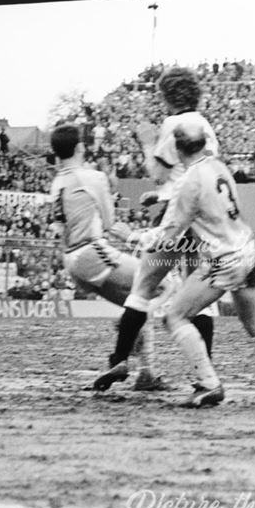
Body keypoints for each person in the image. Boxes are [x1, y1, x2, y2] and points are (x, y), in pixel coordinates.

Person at [93, 67, 219, 391]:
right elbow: (194, 174)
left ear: (167, 96)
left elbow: (159, 172)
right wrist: (162, 193)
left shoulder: (171, 124)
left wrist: (148, 143)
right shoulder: (204, 125)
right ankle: (203, 373)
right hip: (204, 216)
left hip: (175, 215)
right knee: (199, 294)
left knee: (143, 288)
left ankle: (120, 360)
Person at [149, 120, 255, 407]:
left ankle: (209, 384)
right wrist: (163, 197)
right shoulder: (219, 166)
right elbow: (205, 197)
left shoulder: (188, 181)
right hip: (246, 249)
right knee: (254, 324)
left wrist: (136, 235)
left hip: (223, 258)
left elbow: (171, 235)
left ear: (175, 148)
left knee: (174, 317)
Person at [47, 124, 165, 390]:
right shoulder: (92, 177)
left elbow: (57, 224)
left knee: (138, 303)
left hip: (73, 262)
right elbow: (111, 222)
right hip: (92, 251)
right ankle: (127, 334)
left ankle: (147, 373)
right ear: (80, 147)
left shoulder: (57, 182)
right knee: (165, 283)